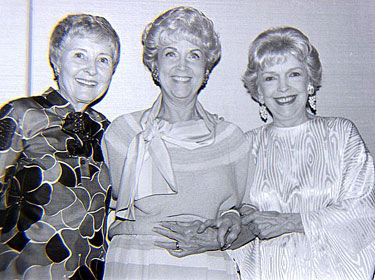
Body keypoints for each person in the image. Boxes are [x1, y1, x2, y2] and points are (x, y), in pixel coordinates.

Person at [157, 26, 375, 280]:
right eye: (270, 78)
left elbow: (365, 209)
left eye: (294, 74)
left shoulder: (342, 134)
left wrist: (292, 221)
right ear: (259, 92)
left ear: (310, 83)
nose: (283, 88)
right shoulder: (247, 144)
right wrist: (223, 229)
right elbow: (244, 217)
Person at [102, 6, 250, 280]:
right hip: (135, 266)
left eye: (193, 55)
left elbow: (247, 210)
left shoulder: (231, 139)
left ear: (206, 69)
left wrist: (232, 221)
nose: (182, 66)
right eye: (171, 54)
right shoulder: (123, 134)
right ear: (155, 66)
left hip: (206, 267)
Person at [0, 14, 120, 279]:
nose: (92, 70)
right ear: (56, 60)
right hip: (21, 271)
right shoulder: (21, 114)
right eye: (80, 55)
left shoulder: (109, 131)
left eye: (103, 60)